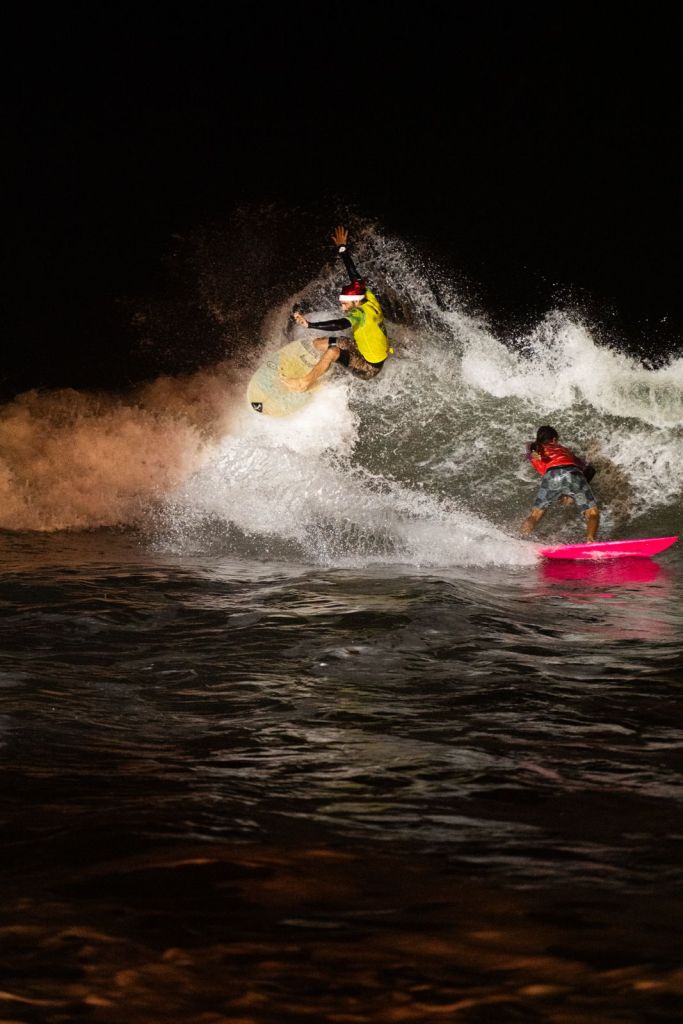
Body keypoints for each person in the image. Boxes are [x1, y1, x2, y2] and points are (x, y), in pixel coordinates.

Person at [280, 226, 393, 392]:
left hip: (369, 367)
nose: (342, 307)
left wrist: (310, 325)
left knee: (333, 351)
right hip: (362, 349)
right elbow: (355, 277)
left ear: (355, 302)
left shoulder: (360, 314)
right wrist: (342, 249)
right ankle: (323, 366)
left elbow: (339, 324)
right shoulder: (367, 297)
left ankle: (304, 383)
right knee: (318, 344)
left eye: (345, 303)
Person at [520, 425, 600, 542]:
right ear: (554, 439)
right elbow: (591, 470)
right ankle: (590, 540)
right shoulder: (564, 450)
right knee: (593, 513)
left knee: (535, 515)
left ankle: (521, 539)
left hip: (552, 476)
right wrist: (573, 492)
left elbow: (532, 448)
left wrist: (533, 453)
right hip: (573, 473)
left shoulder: (535, 447)